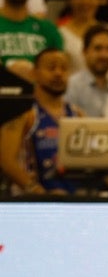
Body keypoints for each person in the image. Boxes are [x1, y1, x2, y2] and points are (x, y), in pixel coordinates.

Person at [0, 46, 75, 194]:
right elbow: (6, 161)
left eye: (64, 68)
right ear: (34, 73)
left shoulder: (77, 113)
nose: (58, 73)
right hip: (30, 203)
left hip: (72, 199)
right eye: (51, 68)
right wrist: (39, 193)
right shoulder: (23, 114)